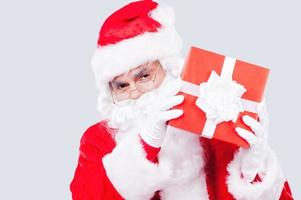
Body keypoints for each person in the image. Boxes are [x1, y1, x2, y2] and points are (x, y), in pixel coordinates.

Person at [70, 0, 294, 199]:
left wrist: (253, 172)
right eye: (122, 86)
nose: (135, 91)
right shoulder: (97, 140)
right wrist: (144, 146)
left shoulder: (215, 127)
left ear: (170, 70)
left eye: (144, 76)